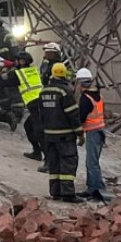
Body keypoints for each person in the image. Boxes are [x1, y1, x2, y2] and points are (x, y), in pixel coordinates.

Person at [37, 62, 84, 203]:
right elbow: (73, 114)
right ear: (64, 74)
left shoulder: (43, 91)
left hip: (49, 135)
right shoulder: (65, 92)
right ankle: (68, 194)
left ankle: (55, 192)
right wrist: (80, 133)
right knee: (68, 163)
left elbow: (41, 114)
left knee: (54, 163)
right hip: (65, 135)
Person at [75, 67, 110, 202]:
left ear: (80, 83)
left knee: (91, 162)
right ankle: (94, 187)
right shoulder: (99, 96)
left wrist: (77, 130)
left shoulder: (85, 99)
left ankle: (96, 189)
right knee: (93, 162)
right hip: (100, 131)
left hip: (93, 132)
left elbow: (81, 117)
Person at [14, 52, 45, 168]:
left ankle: (49, 159)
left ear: (22, 62)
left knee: (39, 131)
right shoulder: (33, 70)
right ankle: (37, 153)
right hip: (39, 103)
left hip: (35, 104)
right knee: (28, 126)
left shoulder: (20, 73)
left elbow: (6, 81)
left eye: (17, 60)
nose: (16, 62)